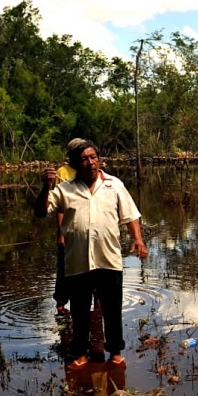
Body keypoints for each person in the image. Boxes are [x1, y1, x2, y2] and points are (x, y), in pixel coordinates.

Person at [35, 140, 148, 370]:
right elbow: (40, 212)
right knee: (79, 311)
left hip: (109, 259)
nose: (90, 163)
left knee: (112, 309)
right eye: (84, 159)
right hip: (78, 262)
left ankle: (115, 352)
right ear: (76, 164)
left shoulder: (114, 185)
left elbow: (130, 215)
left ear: (99, 159)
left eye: (93, 157)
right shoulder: (65, 189)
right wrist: (46, 187)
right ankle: (81, 352)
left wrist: (138, 239)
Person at [53, 138, 86, 315]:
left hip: (87, 230)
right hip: (69, 228)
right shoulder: (63, 173)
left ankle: (96, 302)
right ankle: (61, 302)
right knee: (64, 266)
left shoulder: (89, 169)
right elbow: (59, 207)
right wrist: (61, 233)